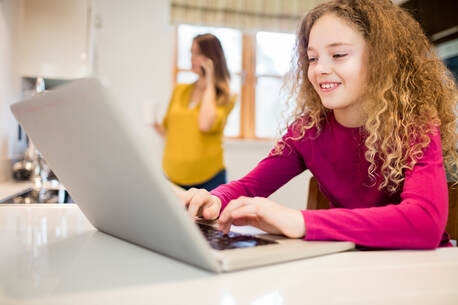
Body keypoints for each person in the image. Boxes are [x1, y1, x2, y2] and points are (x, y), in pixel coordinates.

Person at [180, 0, 458, 250]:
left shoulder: (415, 126)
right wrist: (214, 199)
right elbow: (249, 187)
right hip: (350, 263)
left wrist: (300, 221)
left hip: (418, 268)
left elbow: (425, 223)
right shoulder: (307, 131)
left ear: (381, 62)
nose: (320, 69)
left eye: (338, 55)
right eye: (313, 58)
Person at [154, 33, 236, 191]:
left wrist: (210, 79)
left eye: (197, 53)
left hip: (209, 178)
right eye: (191, 52)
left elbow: (205, 124)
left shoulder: (225, 96)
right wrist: (153, 123)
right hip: (172, 176)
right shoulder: (180, 90)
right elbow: (168, 132)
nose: (192, 58)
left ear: (211, 57)